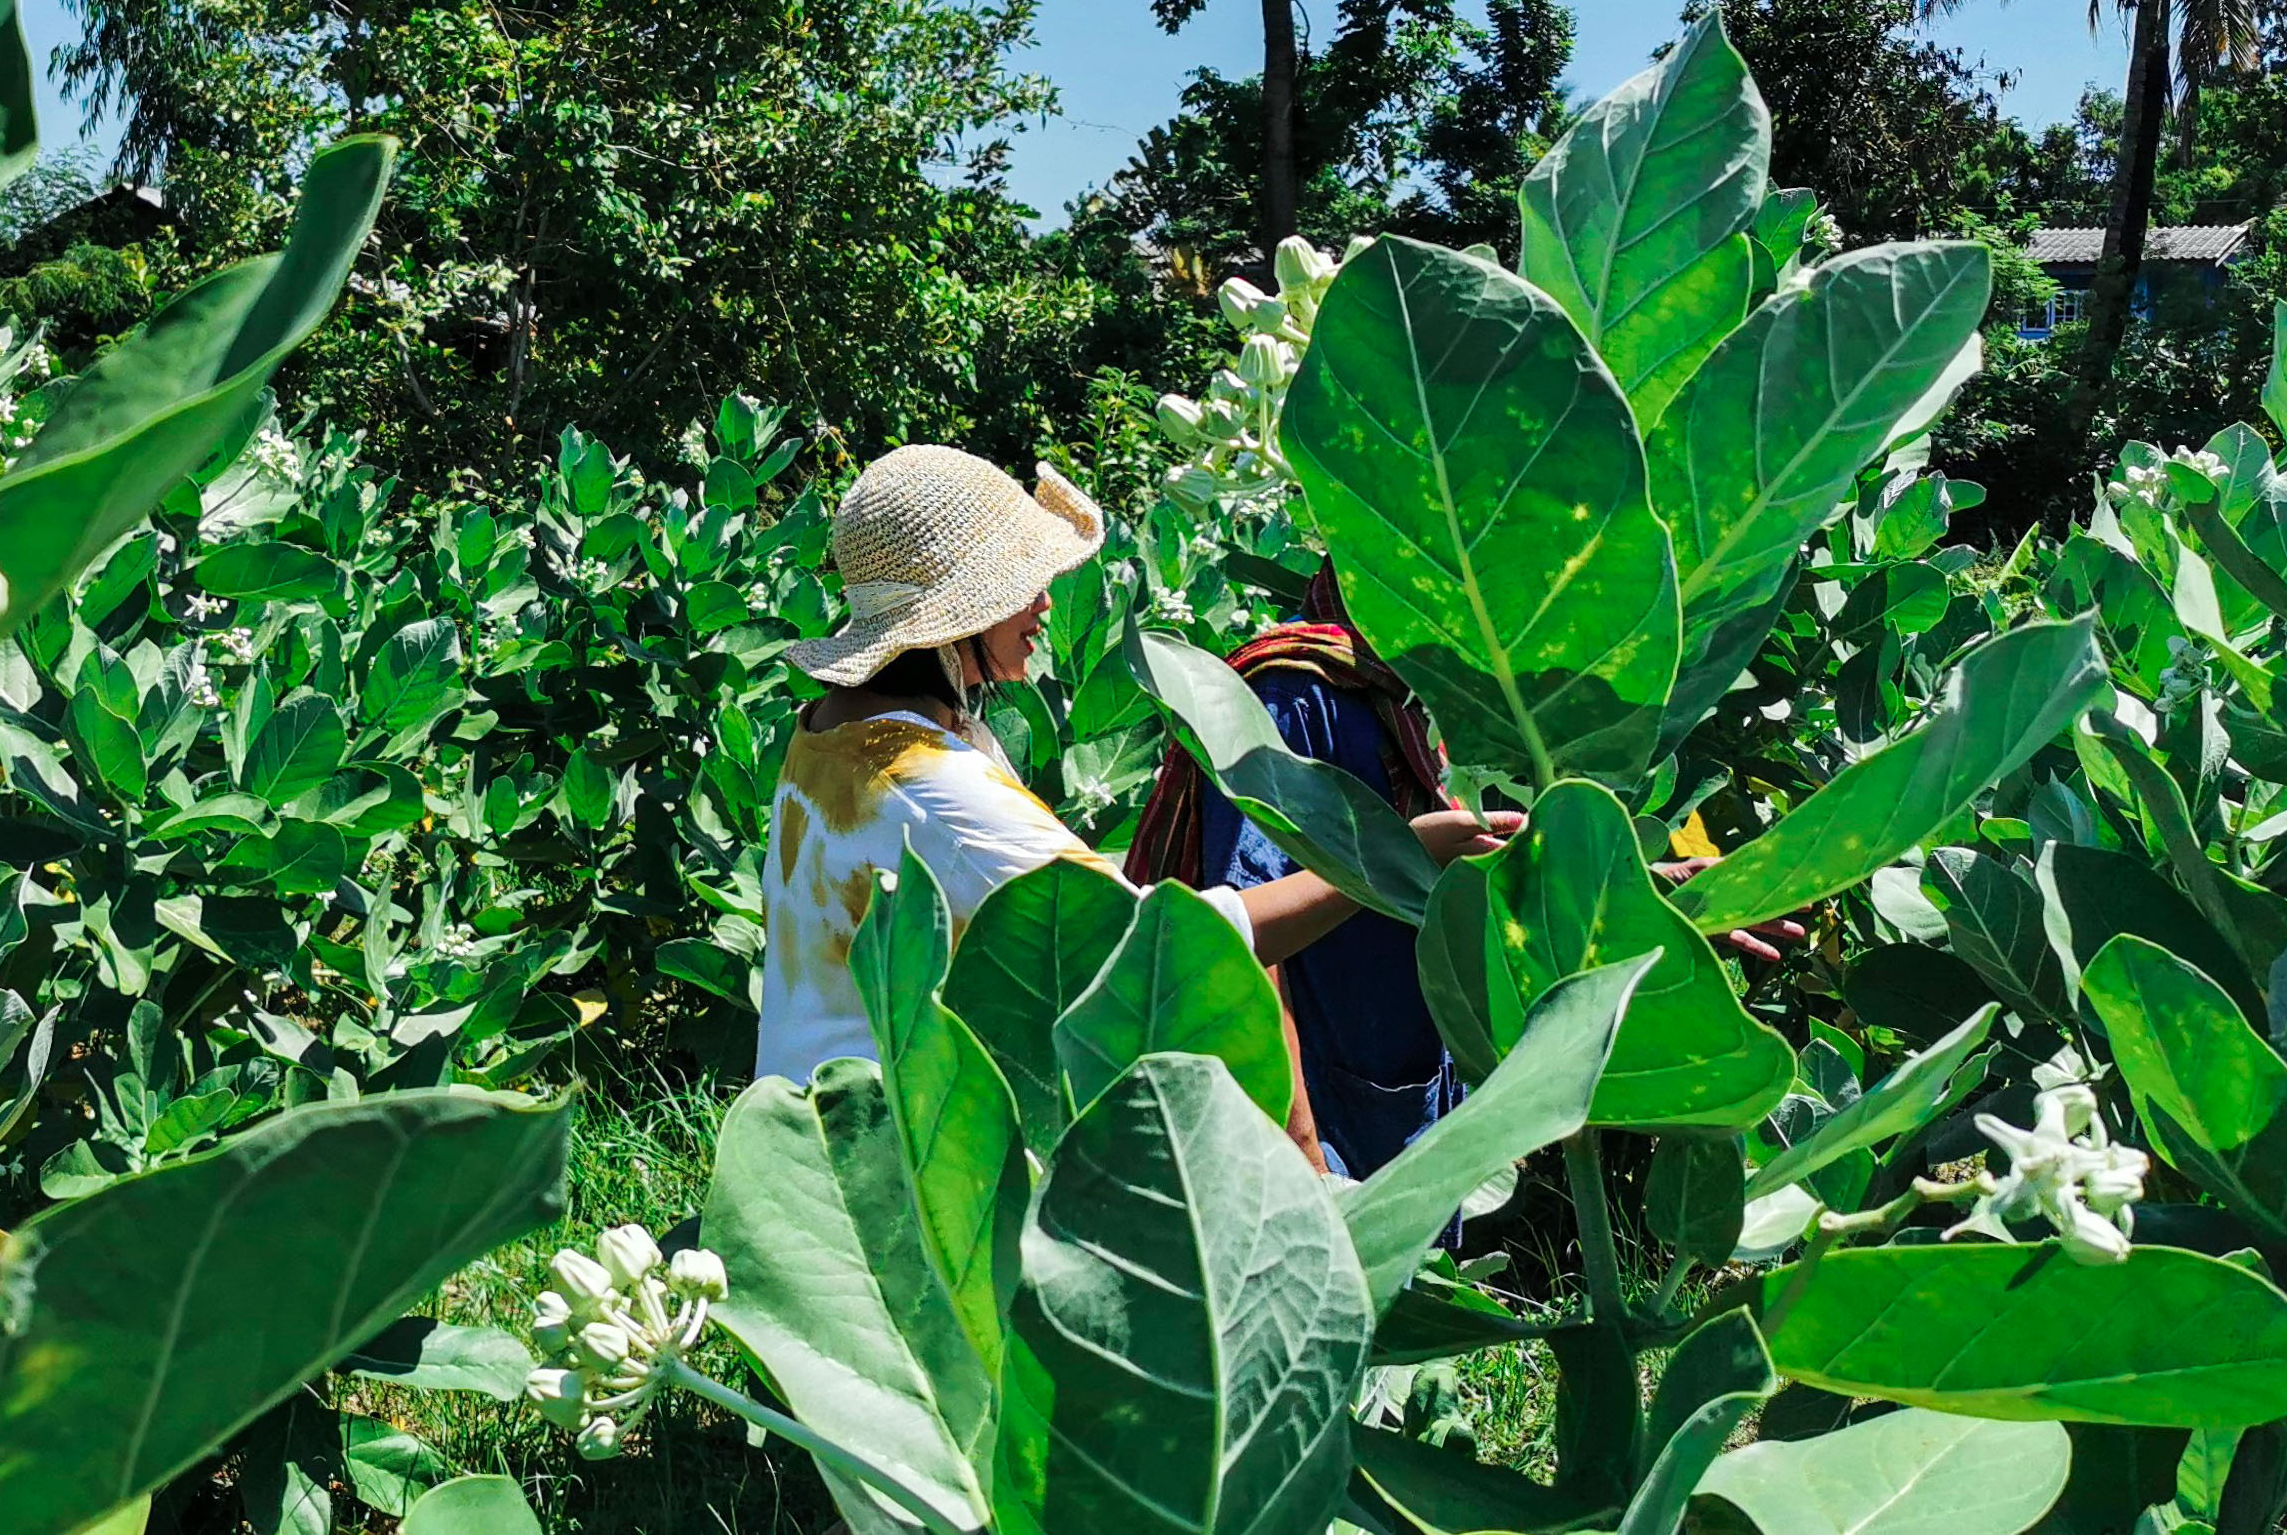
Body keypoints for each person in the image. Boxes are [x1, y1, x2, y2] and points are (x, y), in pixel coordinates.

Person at [753, 446, 1513, 1089]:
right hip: (899, 1173)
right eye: (1019, 585)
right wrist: (1394, 857)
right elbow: (1163, 948)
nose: (1047, 602)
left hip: (821, 1134)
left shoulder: (825, 732)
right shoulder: (933, 790)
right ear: (953, 623)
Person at [1129, 564, 1801, 1178]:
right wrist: (1298, 1153)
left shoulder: (1433, 691)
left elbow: (1487, 863)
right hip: (1313, 1125)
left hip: (1403, 1094)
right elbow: (1233, 944)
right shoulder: (1295, 693)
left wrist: (1656, 896)